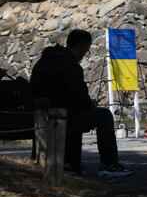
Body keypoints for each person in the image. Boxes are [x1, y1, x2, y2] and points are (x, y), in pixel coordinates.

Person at [29, 30, 132, 178]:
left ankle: (71, 163)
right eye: (86, 50)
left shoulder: (42, 63)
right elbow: (79, 97)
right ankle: (109, 164)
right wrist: (90, 105)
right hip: (62, 116)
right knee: (103, 115)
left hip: (39, 116)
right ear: (82, 46)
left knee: (74, 113)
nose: (84, 54)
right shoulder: (69, 65)